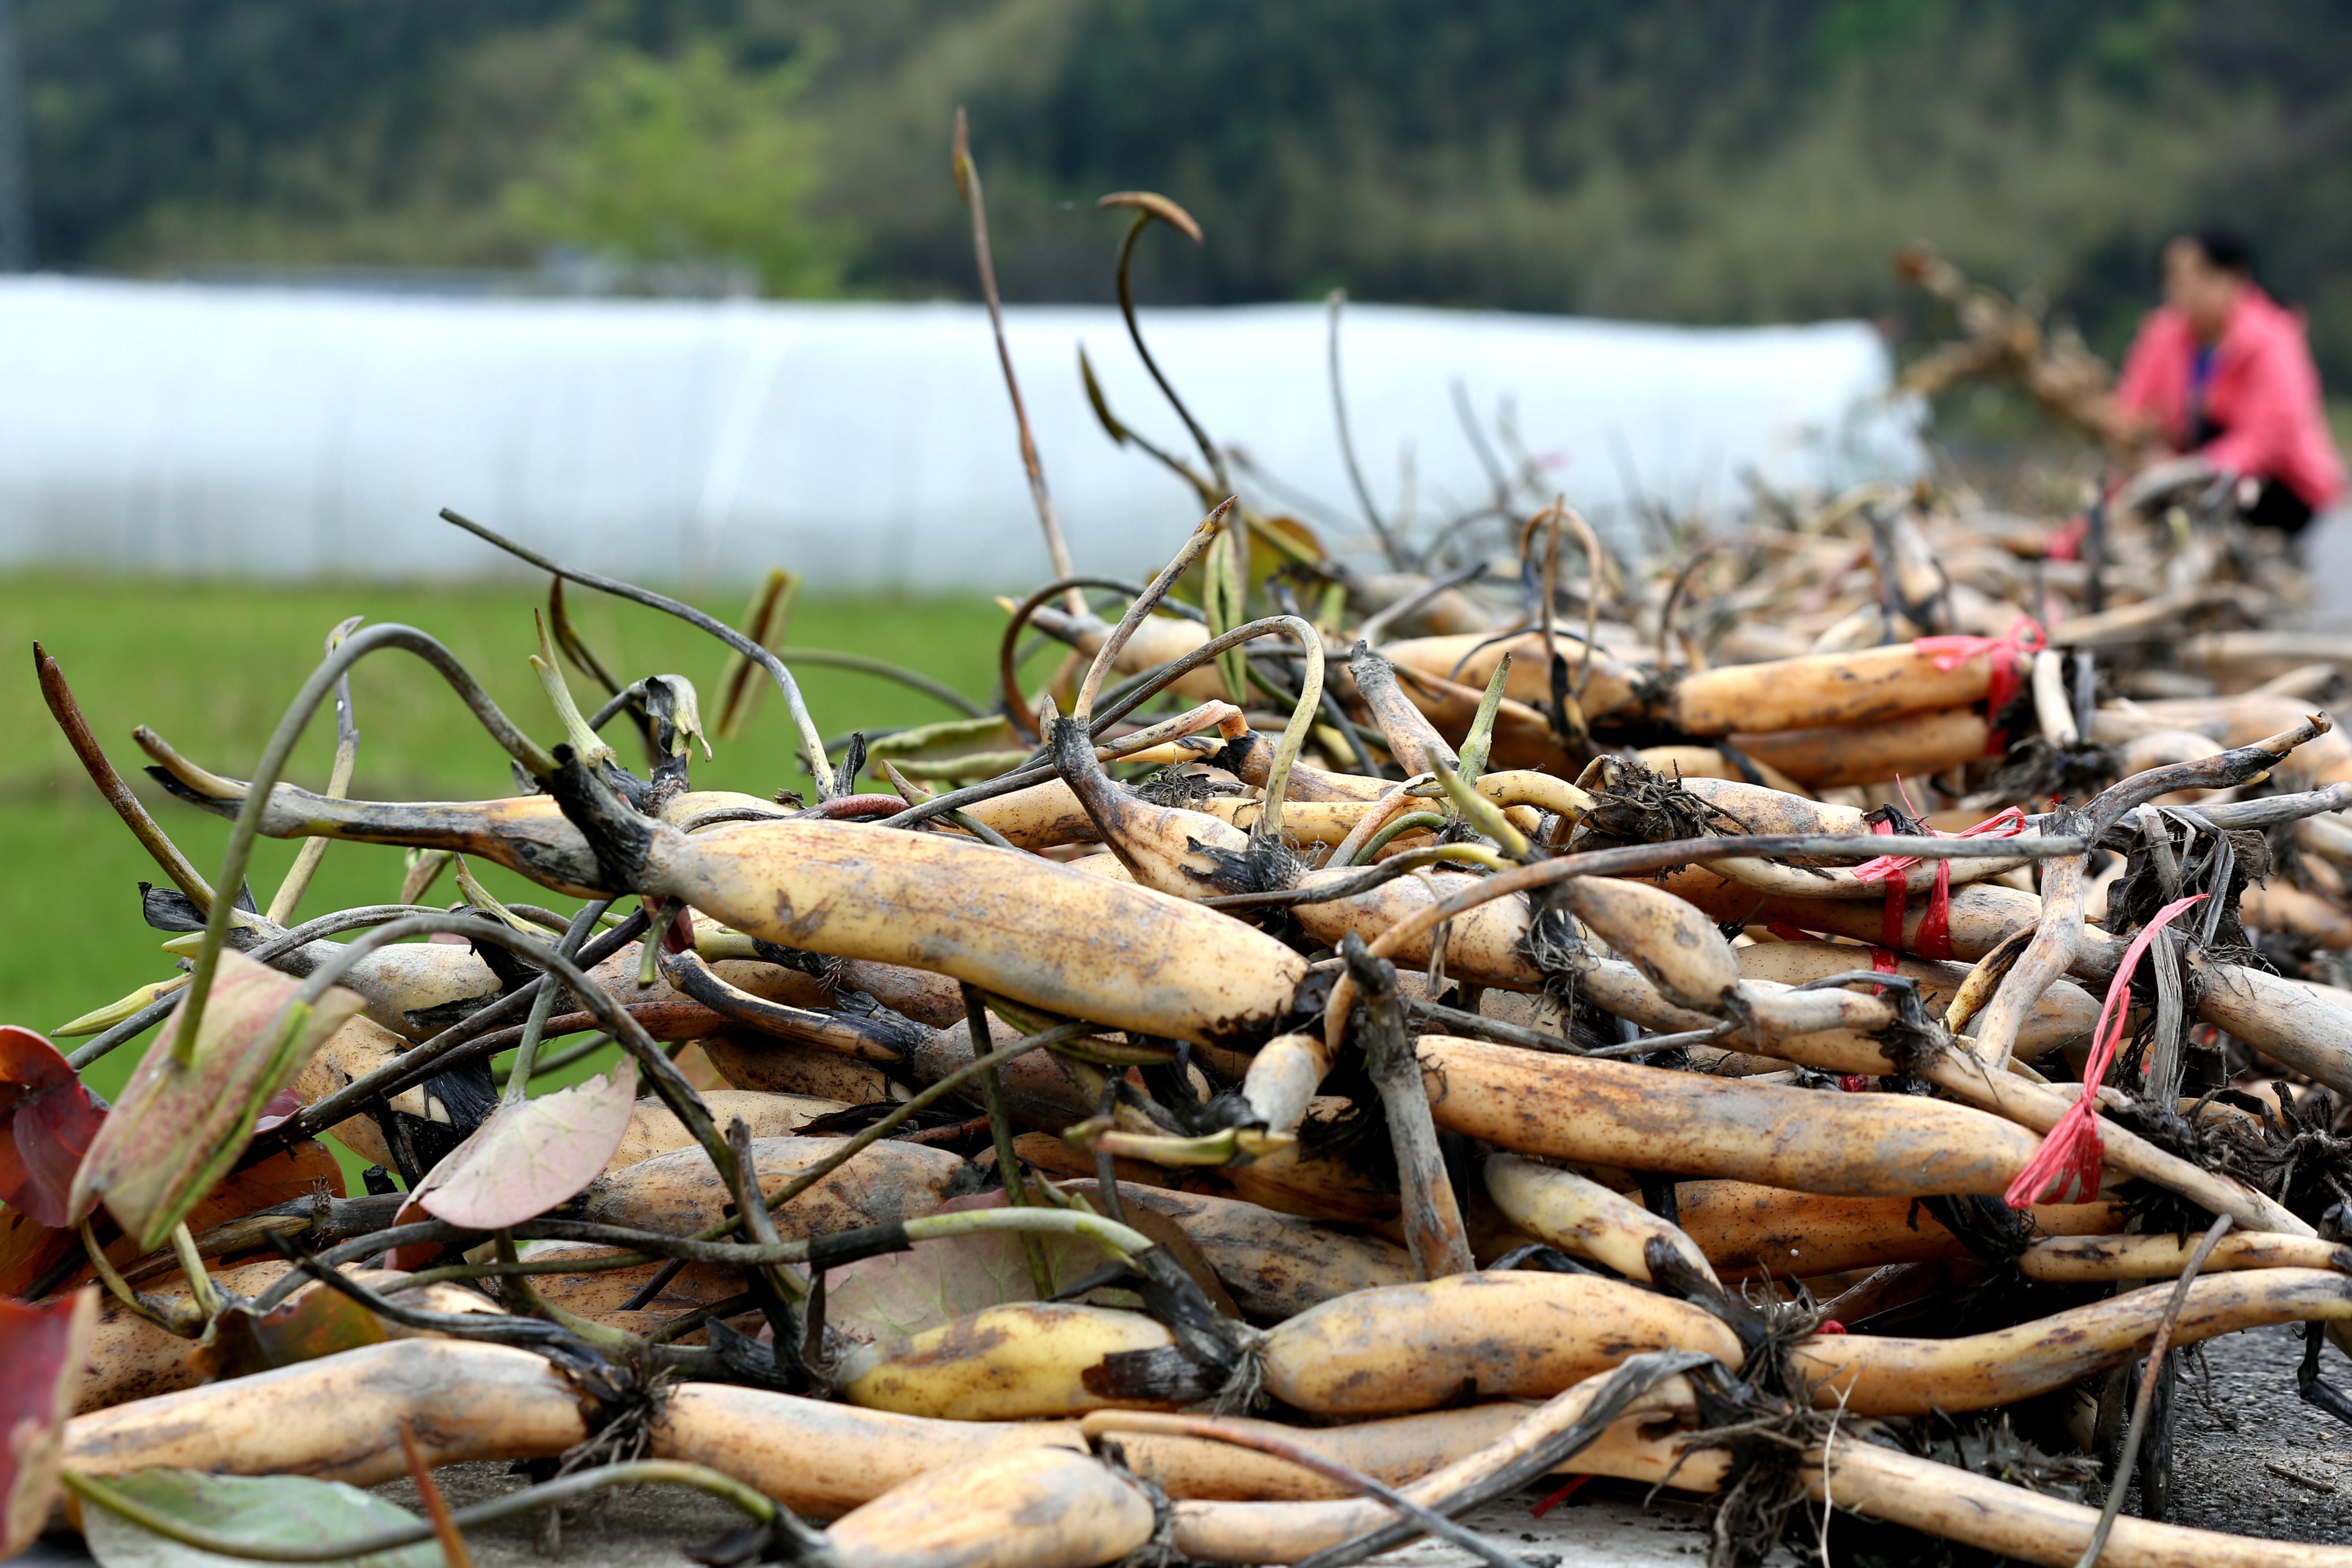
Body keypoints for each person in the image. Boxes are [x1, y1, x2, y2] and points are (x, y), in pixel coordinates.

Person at [2103, 228, 2345, 534]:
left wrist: (2192, 470)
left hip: (2276, 490)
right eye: (2174, 277)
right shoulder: (2163, 335)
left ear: (2233, 276)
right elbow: (2130, 408)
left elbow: (2271, 435)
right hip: (2187, 482)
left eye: (2198, 276)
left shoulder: (2271, 336)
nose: (2184, 289)